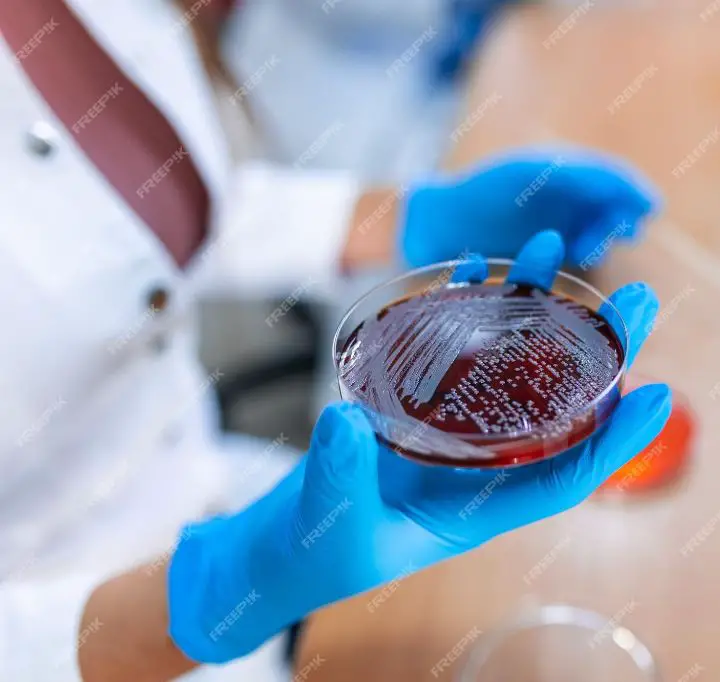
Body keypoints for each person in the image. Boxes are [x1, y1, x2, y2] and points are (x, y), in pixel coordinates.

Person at [0, 1, 670, 680]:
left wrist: (406, 218)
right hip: (96, 626)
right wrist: (218, 592)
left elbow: (124, 219)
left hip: (202, 476)